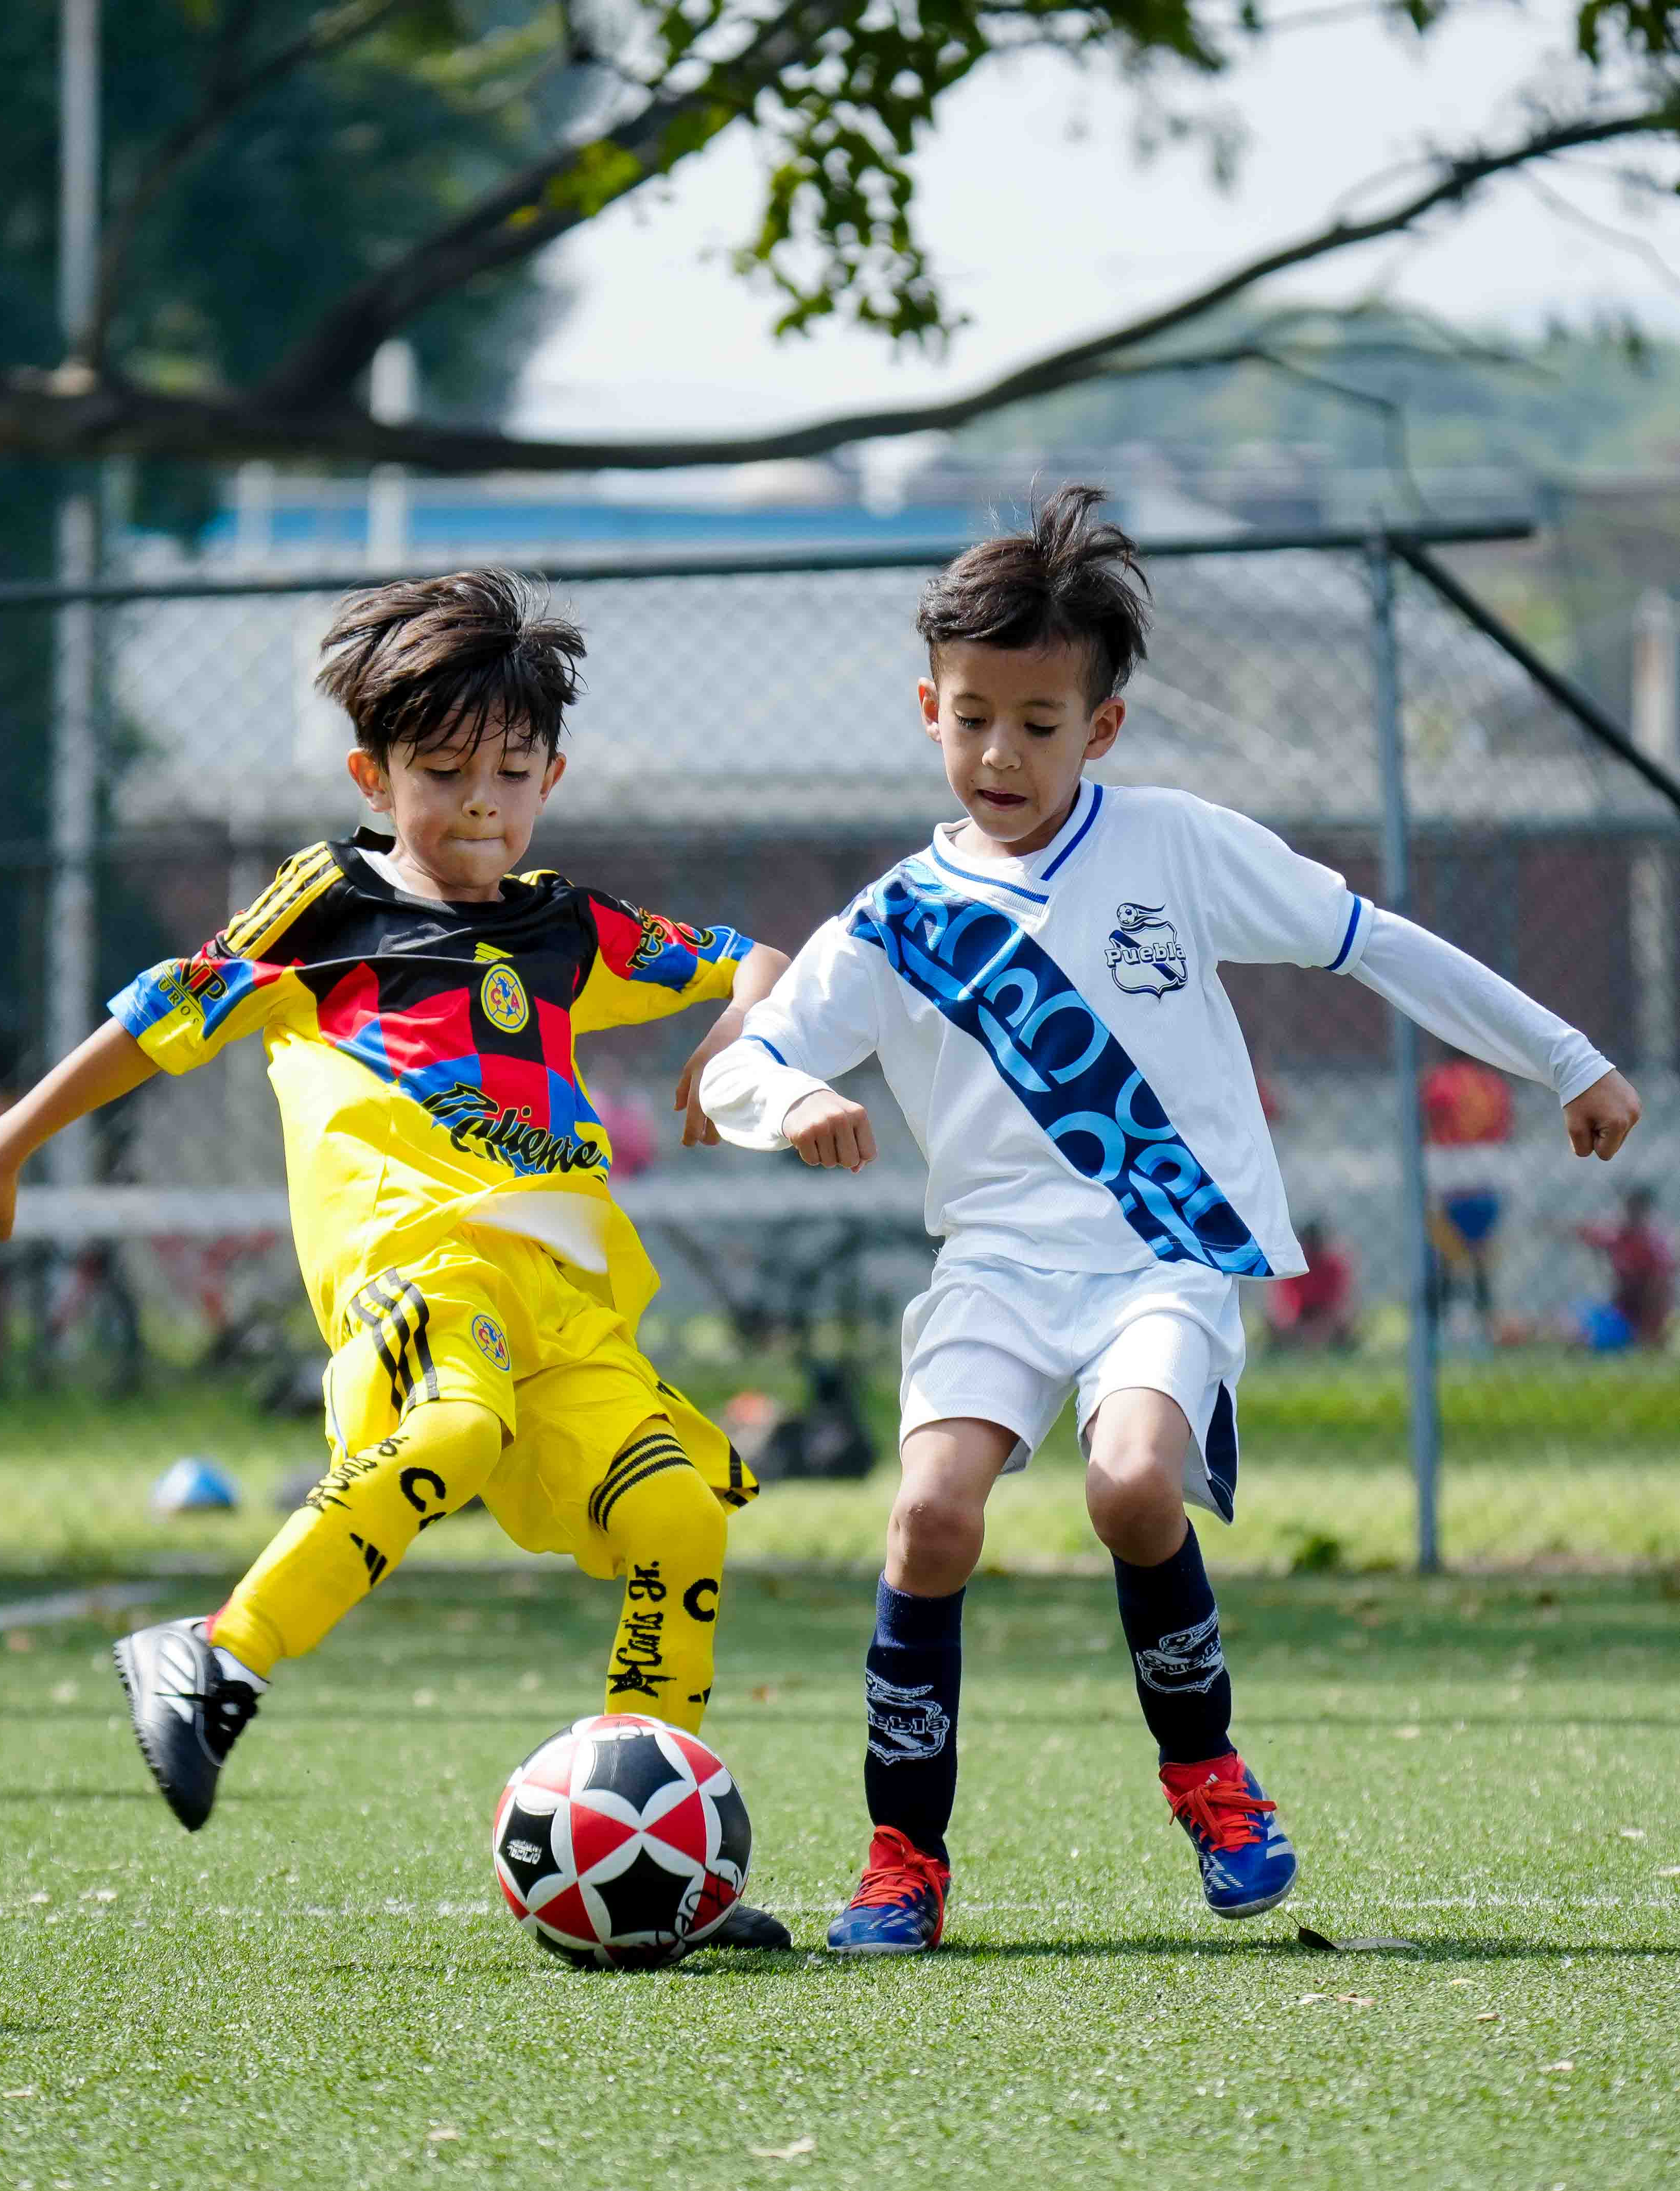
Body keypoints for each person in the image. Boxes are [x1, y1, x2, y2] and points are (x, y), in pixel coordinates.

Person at [701, 485, 1641, 1954]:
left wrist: (1565, 1057)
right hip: (994, 1268)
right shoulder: (895, 919)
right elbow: (741, 1066)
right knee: (930, 1516)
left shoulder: (1177, 846)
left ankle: (1208, 1776)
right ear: (929, 709)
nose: (1000, 753)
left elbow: (1372, 944)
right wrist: (792, 1099)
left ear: (1104, 726)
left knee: (1132, 1482)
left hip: (1164, 1251)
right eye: (971, 717)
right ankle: (901, 1856)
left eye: (1038, 722)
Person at [0, 571, 793, 1953]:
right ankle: (215, 1653)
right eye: (441, 773)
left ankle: (659, 1841)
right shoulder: (328, 906)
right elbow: (158, 1015)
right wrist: (5, 1143)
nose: (478, 804)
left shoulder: (565, 927)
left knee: (679, 1515)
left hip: (566, 1307)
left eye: (509, 774)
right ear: (372, 775)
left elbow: (762, 959)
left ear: (551, 777)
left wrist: (730, 1032)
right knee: (450, 1430)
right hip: (417, 1271)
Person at [1421, 1056, 1512, 1344]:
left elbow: (1425, 1120)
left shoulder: (1440, 1080)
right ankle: (1486, 1328)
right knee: (1481, 1260)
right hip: (1488, 1172)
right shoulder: (1493, 1083)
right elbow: (1508, 1125)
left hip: (1449, 1172)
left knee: (1444, 1258)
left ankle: (1438, 1329)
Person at [1578, 1186, 1674, 1349]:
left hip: (1642, 1315)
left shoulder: (1652, 1244)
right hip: (1620, 1310)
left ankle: (1647, 1337)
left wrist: (1651, 1329)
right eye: (1629, 1208)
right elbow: (1590, 1235)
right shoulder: (1619, 1236)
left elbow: (1661, 1284)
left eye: (1636, 1210)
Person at [1264, 1219, 1356, 1351]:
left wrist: (1323, 1324)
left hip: (1326, 1318)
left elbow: (1339, 1303)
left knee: (1344, 1328)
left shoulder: (1332, 1266)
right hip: (1300, 1318)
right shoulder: (1293, 1267)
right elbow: (1286, 1306)